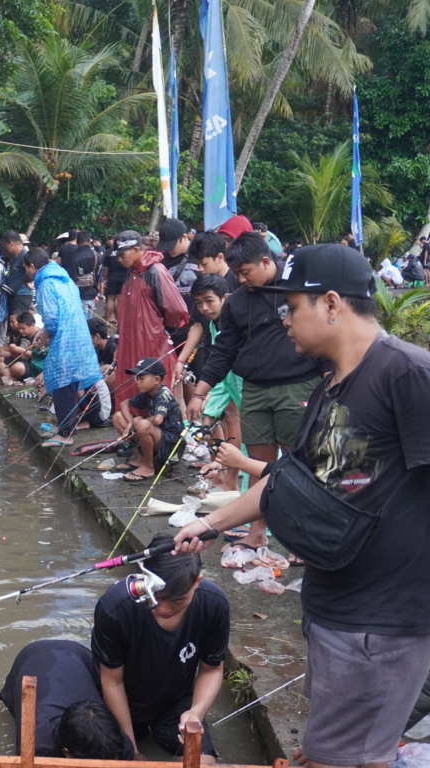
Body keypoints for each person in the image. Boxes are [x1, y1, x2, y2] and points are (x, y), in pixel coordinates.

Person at [176, 244, 430, 768]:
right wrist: (207, 524)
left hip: (381, 621)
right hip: (333, 604)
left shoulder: (407, 374)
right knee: (330, 750)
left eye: (291, 307)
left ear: (332, 304)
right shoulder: (327, 388)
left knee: (349, 758)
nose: (284, 320)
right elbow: (286, 481)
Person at [187, 232, 323, 548]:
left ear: (266, 261)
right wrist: (200, 392)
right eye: (237, 274)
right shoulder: (238, 303)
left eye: (246, 272)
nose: (241, 279)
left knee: (297, 463)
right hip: (255, 390)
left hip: (297, 385)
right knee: (257, 463)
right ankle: (257, 531)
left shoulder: (295, 292)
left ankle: (302, 536)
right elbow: (224, 350)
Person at [93, 535, 227, 761]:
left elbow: (212, 669)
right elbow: (112, 680)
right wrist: (132, 750)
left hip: (176, 704)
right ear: (145, 579)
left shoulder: (214, 604)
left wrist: (196, 713)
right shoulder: (115, 608)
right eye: (157, 597)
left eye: (176, 601)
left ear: (197, 582)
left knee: (203, 762)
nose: (163, 609)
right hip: (123, 702)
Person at [0, 639, 134, 759]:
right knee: (16, 710)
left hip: (76, 654)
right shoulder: (38, 748)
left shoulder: (120, 745)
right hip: (31, 658)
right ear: (67, 753)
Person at [33, 251, 104, 446]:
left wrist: (46, 334)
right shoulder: (65, 279)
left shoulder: (46, 283)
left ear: (32, 266)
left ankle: (65, 434)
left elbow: (52, 319)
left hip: (64, 336)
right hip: (78, 333)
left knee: (62, 381)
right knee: (78, 378)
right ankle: (90, 419)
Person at [112, 230, 188, 401]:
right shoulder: (132, 274)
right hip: (131, 344)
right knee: (132, 392)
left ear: (138, 249)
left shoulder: (155, 271)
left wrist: (160, 330)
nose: (119, 259)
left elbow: (175, 309)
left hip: (153, 343)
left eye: (123, 254)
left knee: (158, 395)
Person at [188, 274, 243, 489]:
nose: (204, 308)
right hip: (224, 382)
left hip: (241, 383)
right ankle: (221, 475)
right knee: (208, 420)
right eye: (199, 303)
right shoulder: (212, 324)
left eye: (209, 301)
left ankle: (232, 484)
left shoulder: (235, 323)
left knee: (236, 422)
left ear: (224, 298)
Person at [113, 358, 184, 481]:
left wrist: (137, 422)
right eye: (137, 378)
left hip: (171, 445)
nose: (137, 381)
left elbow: (158, 420)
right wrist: (131, 423)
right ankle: (138, 458)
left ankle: (148, 466)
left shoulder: (163, 394)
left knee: (143, 425)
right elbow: (124, 403)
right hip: (157, 436)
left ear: (156, 380)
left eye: (141, 378)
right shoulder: (147, 393)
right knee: (117, 417)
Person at [0, 230, 34, 316]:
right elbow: (8, 271)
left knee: (18, 323)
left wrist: (21, 281)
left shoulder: (26, 256)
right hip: (14, 295)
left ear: (11, 244)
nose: (5, 249)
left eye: (5, 246)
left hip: (22, 296)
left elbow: (33, 273)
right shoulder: (13, 257)